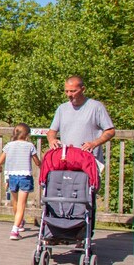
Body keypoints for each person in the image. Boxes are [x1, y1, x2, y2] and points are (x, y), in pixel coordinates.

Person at [46, 76, 115, 240]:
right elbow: (51, 131)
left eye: (73, 91)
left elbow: (110, 130)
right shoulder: (62, 109)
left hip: (88, 162)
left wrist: (95, 142)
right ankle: (60, 232)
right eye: (67, 91)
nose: (69, 95)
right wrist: (52, 140)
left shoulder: (96, 107)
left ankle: (84, 236)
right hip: (66, 161)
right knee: (62, 195)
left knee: (87, 197)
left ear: (82, 89)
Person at [0, 123, 41, 240]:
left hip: (12, 176)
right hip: (25, 176)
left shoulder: (9, 145)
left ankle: (19, 222)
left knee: (15, 202)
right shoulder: (29, 146)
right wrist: (42, 166)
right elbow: (37, 161)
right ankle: (15, 230)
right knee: (22, 204)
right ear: (27, 135)